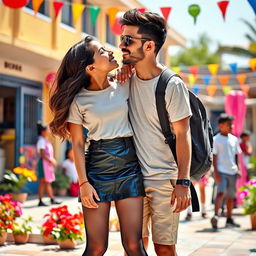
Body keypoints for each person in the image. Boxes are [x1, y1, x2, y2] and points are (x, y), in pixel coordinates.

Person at [49, 36, 147, 256]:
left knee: (133, 245)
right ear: (91, 66)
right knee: (96, 247)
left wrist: (129, 65)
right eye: (102, 51)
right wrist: (83, 183)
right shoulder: (79, 101)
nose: (110, 52)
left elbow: (147, 62)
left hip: (129, 165)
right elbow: (77, 143)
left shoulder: (125, 82)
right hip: (97, 167)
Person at [119, 9, 192, 256]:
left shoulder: (172, 85)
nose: (122, 45)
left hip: (165, 180)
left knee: (164, 247)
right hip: (132, 179)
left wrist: (183, 181)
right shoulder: (124, 79)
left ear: (149, 46)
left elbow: (183, 135)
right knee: (134, 247)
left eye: (128, 40)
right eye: (122, 39)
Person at [210, 113, 241, 229]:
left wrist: (238, 169)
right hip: (221, 171)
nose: (231, 127)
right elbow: (214, 157)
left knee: (231, 196)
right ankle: (216, 216)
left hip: (232, 171)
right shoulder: (216, 139)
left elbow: (236, 155)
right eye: (229, 124)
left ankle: (229, 218)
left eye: (232, 125)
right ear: (221, 125)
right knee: (220, 193)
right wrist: (216, 173)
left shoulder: (234, 139)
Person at [36, 123, 61, 206]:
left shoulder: (45, 140)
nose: (49, 131)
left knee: (47, 182)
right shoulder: (41, 141)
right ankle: (42, 200)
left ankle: (51, 199)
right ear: (43, 132)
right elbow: (43, 154)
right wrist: (51, 160)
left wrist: (51, 160)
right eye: (47, 130)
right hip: (43, 164)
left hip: (46, 164)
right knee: (44, 182)